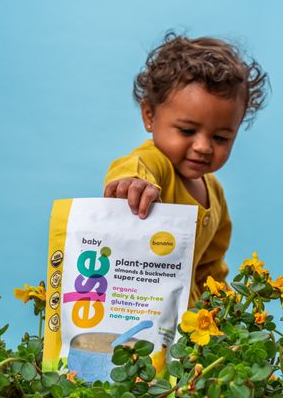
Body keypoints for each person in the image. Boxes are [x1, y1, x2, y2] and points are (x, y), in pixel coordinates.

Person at [103, 32, 268, 306]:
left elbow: (211, 266)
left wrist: (224, 308)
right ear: (150, 116)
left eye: (221, 138)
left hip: (188, 323)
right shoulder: (157, 165)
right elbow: (133, 167)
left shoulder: (214, 191)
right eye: (187, 130)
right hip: (140, 309)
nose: (203, 147)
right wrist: (133, 183)